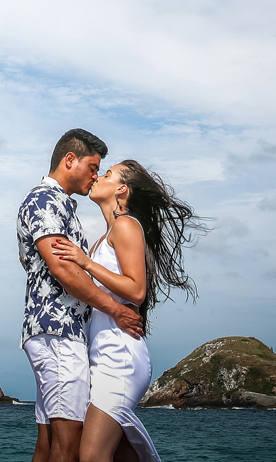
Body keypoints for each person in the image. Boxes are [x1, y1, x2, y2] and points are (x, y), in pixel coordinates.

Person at [51, 160, 203, 462]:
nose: (97, 177)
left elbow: (136, 290)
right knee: (122, 455)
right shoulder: (101, 239)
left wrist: (85, 262)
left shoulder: (126, 225)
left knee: (92, 456)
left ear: (121, 189)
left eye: (106, 174)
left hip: (119, 356)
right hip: (101, 356)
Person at [18, 129, 145, 462]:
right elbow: (63, 270)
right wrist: (115, 310)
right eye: (93, 166)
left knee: (49, 442)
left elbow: (37, 262)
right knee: (68, 442)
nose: (94, 175)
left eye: (102, 171)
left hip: (61, 333)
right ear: (69, 159)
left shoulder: (64, 206)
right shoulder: (46, 199)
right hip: (60, 332)